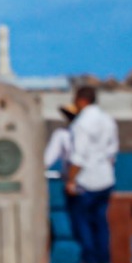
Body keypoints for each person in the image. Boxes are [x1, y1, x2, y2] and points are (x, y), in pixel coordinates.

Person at [65, 85, 120, 263]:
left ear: (81, 101)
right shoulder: (108, 120)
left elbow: (79, 155)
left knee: (82, 222)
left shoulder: (81, 123)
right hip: (106, 178)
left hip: (86, 180)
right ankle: (105, 261)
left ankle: (90, 261)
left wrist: (71, 180)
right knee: (101, 221)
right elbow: (113, 151)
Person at [44, 104, 79, 252]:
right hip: (99, 184)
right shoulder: (99, 130)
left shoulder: (62, 135)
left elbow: (45, 161)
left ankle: (91, 260)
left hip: (76, 185)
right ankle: (97, 261)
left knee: (82, 225)